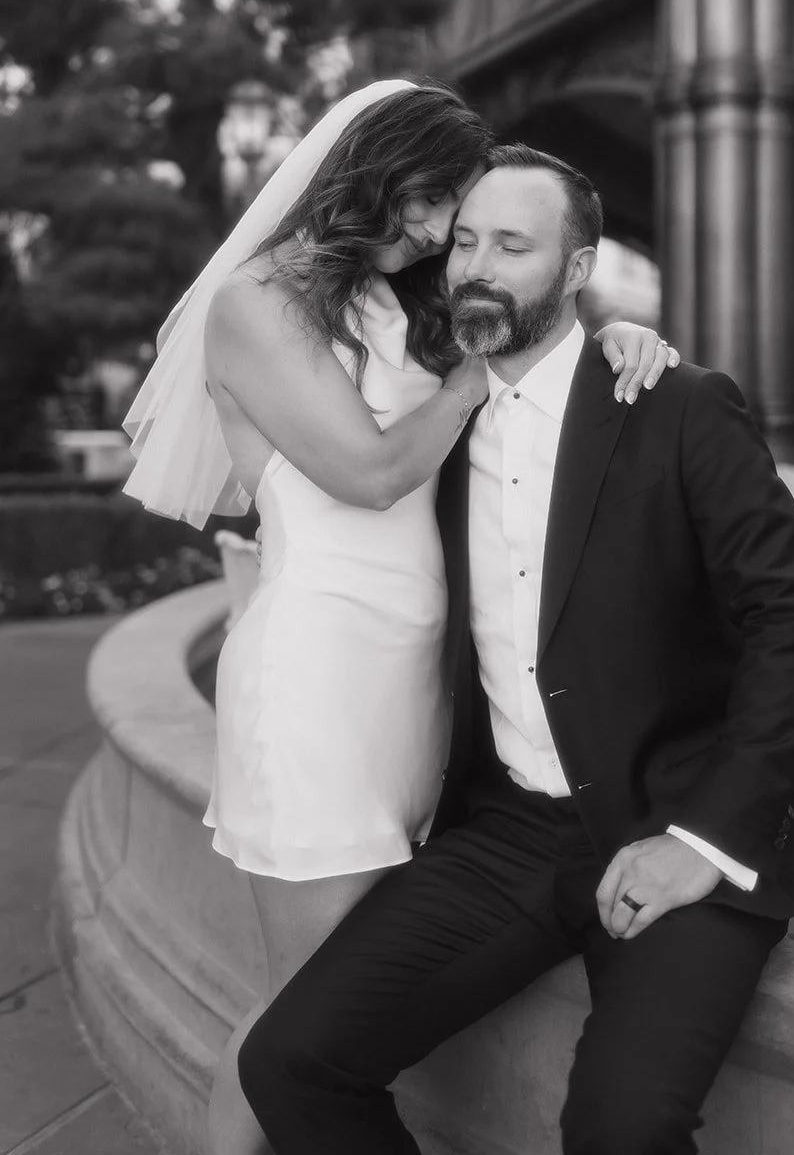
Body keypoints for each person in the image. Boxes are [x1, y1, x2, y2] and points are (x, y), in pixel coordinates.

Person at [236, 144, 794, 1155]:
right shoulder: (427, 424)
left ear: (573, 269)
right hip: (510, 828)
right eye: (465, 238)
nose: (477, 264)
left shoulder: (675, 402)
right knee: (289, 1062)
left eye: (512, 244)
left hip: (675, 810)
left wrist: (700, 842)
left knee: (618, 1129)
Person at [121, 82, 677, 1155]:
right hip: (316, 690)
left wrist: (612, 339)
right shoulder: (255, 301)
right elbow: (371, 471)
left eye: (452, 216)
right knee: (295, 1023)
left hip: (413, 697)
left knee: (320, 1017)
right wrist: (473, 375)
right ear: (368, 167)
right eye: (426, 203)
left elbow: (525, 376)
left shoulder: (397, 301)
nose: (433, 233)